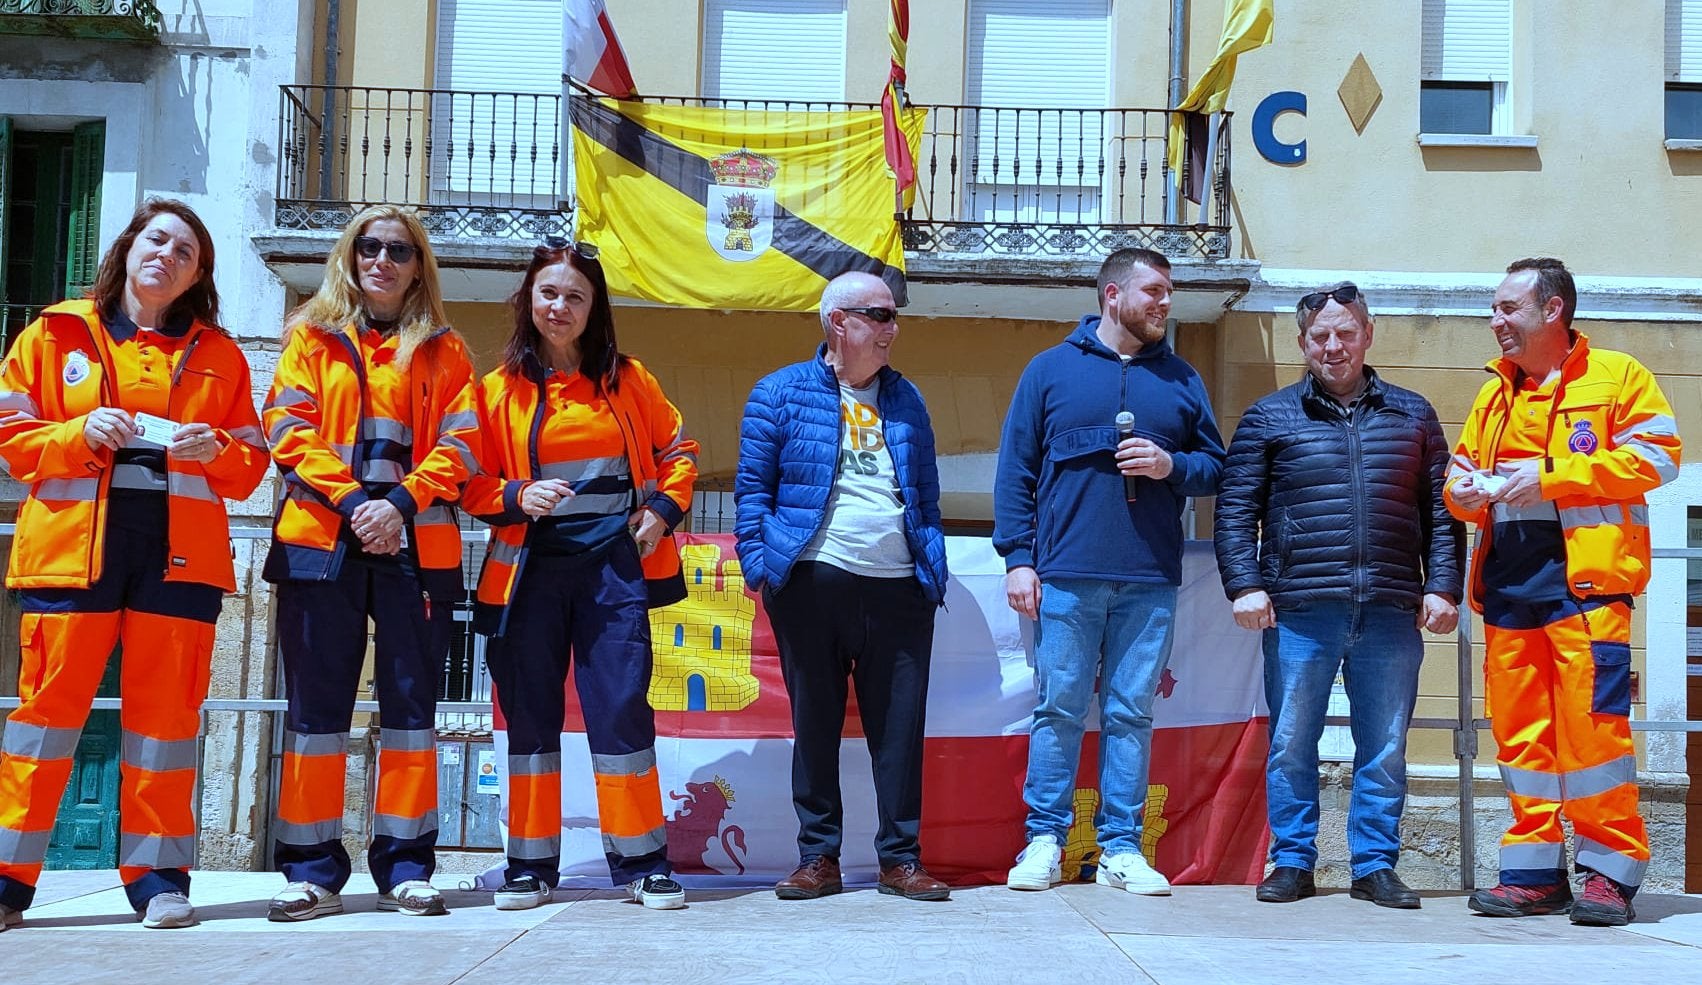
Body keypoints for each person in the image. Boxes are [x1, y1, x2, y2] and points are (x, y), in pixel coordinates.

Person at [0, 199, 268, 931]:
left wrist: (218, 451)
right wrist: (79, 431)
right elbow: (11, 437)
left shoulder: (220, 354)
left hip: (177, 559)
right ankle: (5, 881)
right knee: (43, 720)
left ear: (196, 276)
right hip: (69, 555)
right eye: (158, 240)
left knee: (165, 725)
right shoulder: (54, 333)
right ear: (128, 246)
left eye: (186, 252)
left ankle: (158, 879)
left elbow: (251, 465)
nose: (168, 256)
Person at [464, 240, 697, 911]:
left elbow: (679, 449)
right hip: (527, 575)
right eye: (548, 293)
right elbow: (464, 478)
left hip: (612, 572)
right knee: (531, 717)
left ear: (594, 309)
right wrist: (514, 497)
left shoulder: (628, 379)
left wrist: (660, 509)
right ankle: (530, 867)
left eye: (575, 296)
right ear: (527, 300)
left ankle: (643, 863)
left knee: (621, 710)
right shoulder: (494, 392)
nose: (559, 306)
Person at [260, 205, 479, 921]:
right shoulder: (308, 340)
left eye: (399, 249)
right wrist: (359, 502)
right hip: (323, 544)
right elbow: (287, 431)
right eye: (369, 247)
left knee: (413, 711)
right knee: (316, 713)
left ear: (420, 266)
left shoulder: (448, 351)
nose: (381, 259)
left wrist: (401, 506)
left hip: (416, 546)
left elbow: (464, 446)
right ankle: (311, 868)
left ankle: (407, 863)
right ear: (349, 258)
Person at [1214, 282, 1463, 909]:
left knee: (1383, 746)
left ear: (1368, 334)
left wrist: (1442, 586)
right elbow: (1236, 511)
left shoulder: (1413, 413)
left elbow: (1441, 512)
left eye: (1345, 333)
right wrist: (1244, 585)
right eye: (1320, 336)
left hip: (1390, 607)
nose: (1333, 346)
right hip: (1300, 609)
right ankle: (1293, 860)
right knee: (1292, 741)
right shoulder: (1270, 416)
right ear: (1303, 343)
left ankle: (1374, 865)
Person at [1448, 258, 1680, 927]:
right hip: (1510, 590)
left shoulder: (1618, 375)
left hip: (1588, 589)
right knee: (1522, 740)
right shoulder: (1494, 392)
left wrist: (1553, 475)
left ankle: (1608, 872)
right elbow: (1463, 474)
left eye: (1507, 309)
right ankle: (1532, 874)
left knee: (1595, 739)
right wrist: (1461, 492)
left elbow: (1660, 457)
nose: (1496, 323)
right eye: (1494, 309)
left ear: (1553, 310)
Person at [995, 248, 1225, 896]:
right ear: (1114, 294)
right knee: (1059, 708)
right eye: (1154, 290)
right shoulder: (1049, 372)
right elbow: (1015, 473)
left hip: (1150, 577)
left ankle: (1121, 847)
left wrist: (1169, 465)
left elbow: (1217, 466)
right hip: (1065, 574)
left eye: (1170, 292)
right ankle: (1044, 839)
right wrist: (1018, 557)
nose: (1165, 302)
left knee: (1130, 713)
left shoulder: (1181, 380)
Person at [735, 271, 950, 902]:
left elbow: (927, 496)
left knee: (900, 730)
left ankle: (900, 861)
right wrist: (761, 567)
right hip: (811, 581)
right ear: (839, 322)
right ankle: (817, 858)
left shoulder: (908, 399)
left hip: (899, 586)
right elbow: (753, 493)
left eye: (892, 318)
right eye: (879, 316)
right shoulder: (778, 392)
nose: (892, 329)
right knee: (816, 723)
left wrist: (929, 567)